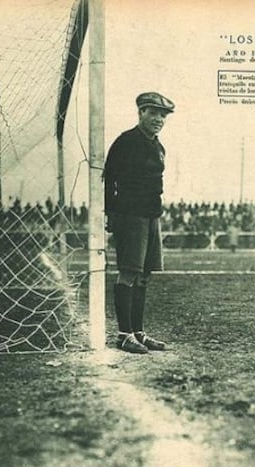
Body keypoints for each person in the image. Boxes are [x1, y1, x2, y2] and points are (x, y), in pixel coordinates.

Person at [104, 92, 175, 354]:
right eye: (153, 112)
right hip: (130, 216)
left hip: (151, 215)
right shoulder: (126, 141)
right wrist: (113, 215)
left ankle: (138, 332)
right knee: (130, 271)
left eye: (163, 115)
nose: (159, 119)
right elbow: (109, 180)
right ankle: (124, 335)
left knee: (144, 274)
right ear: (141, 113)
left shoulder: (157, 146)